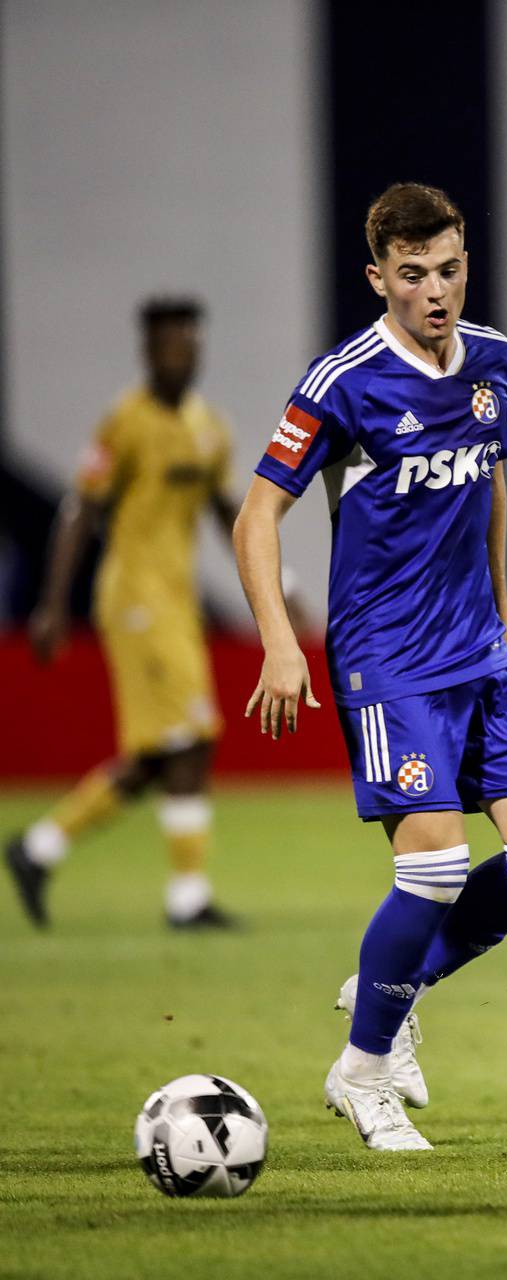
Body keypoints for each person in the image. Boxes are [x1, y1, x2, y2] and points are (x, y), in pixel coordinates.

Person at [231, 183, 507, 1152]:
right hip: (389, 660)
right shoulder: (343, 380)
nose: (438, 290)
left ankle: (394, 984)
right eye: (415, 274)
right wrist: (277, 640)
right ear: (378, 276)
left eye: (451, 269)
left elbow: (490, 476)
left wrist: (504, 614)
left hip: (479, 654)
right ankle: (362, 1068)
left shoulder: (497, 359)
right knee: (433, 867)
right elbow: (256, 512)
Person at [7, 298, 247, 930]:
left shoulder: (207, 426)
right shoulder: (126, 421)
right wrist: (53, 604)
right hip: (135, 602)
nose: (182, 355)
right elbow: (80, 508)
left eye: (190, 344)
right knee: (190, 740)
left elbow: (226, 511)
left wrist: (274, 584)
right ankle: (186, 898)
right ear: (148, 353)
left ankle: (39, 849)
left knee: (162, 754)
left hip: (176, 603)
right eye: (170, 345)